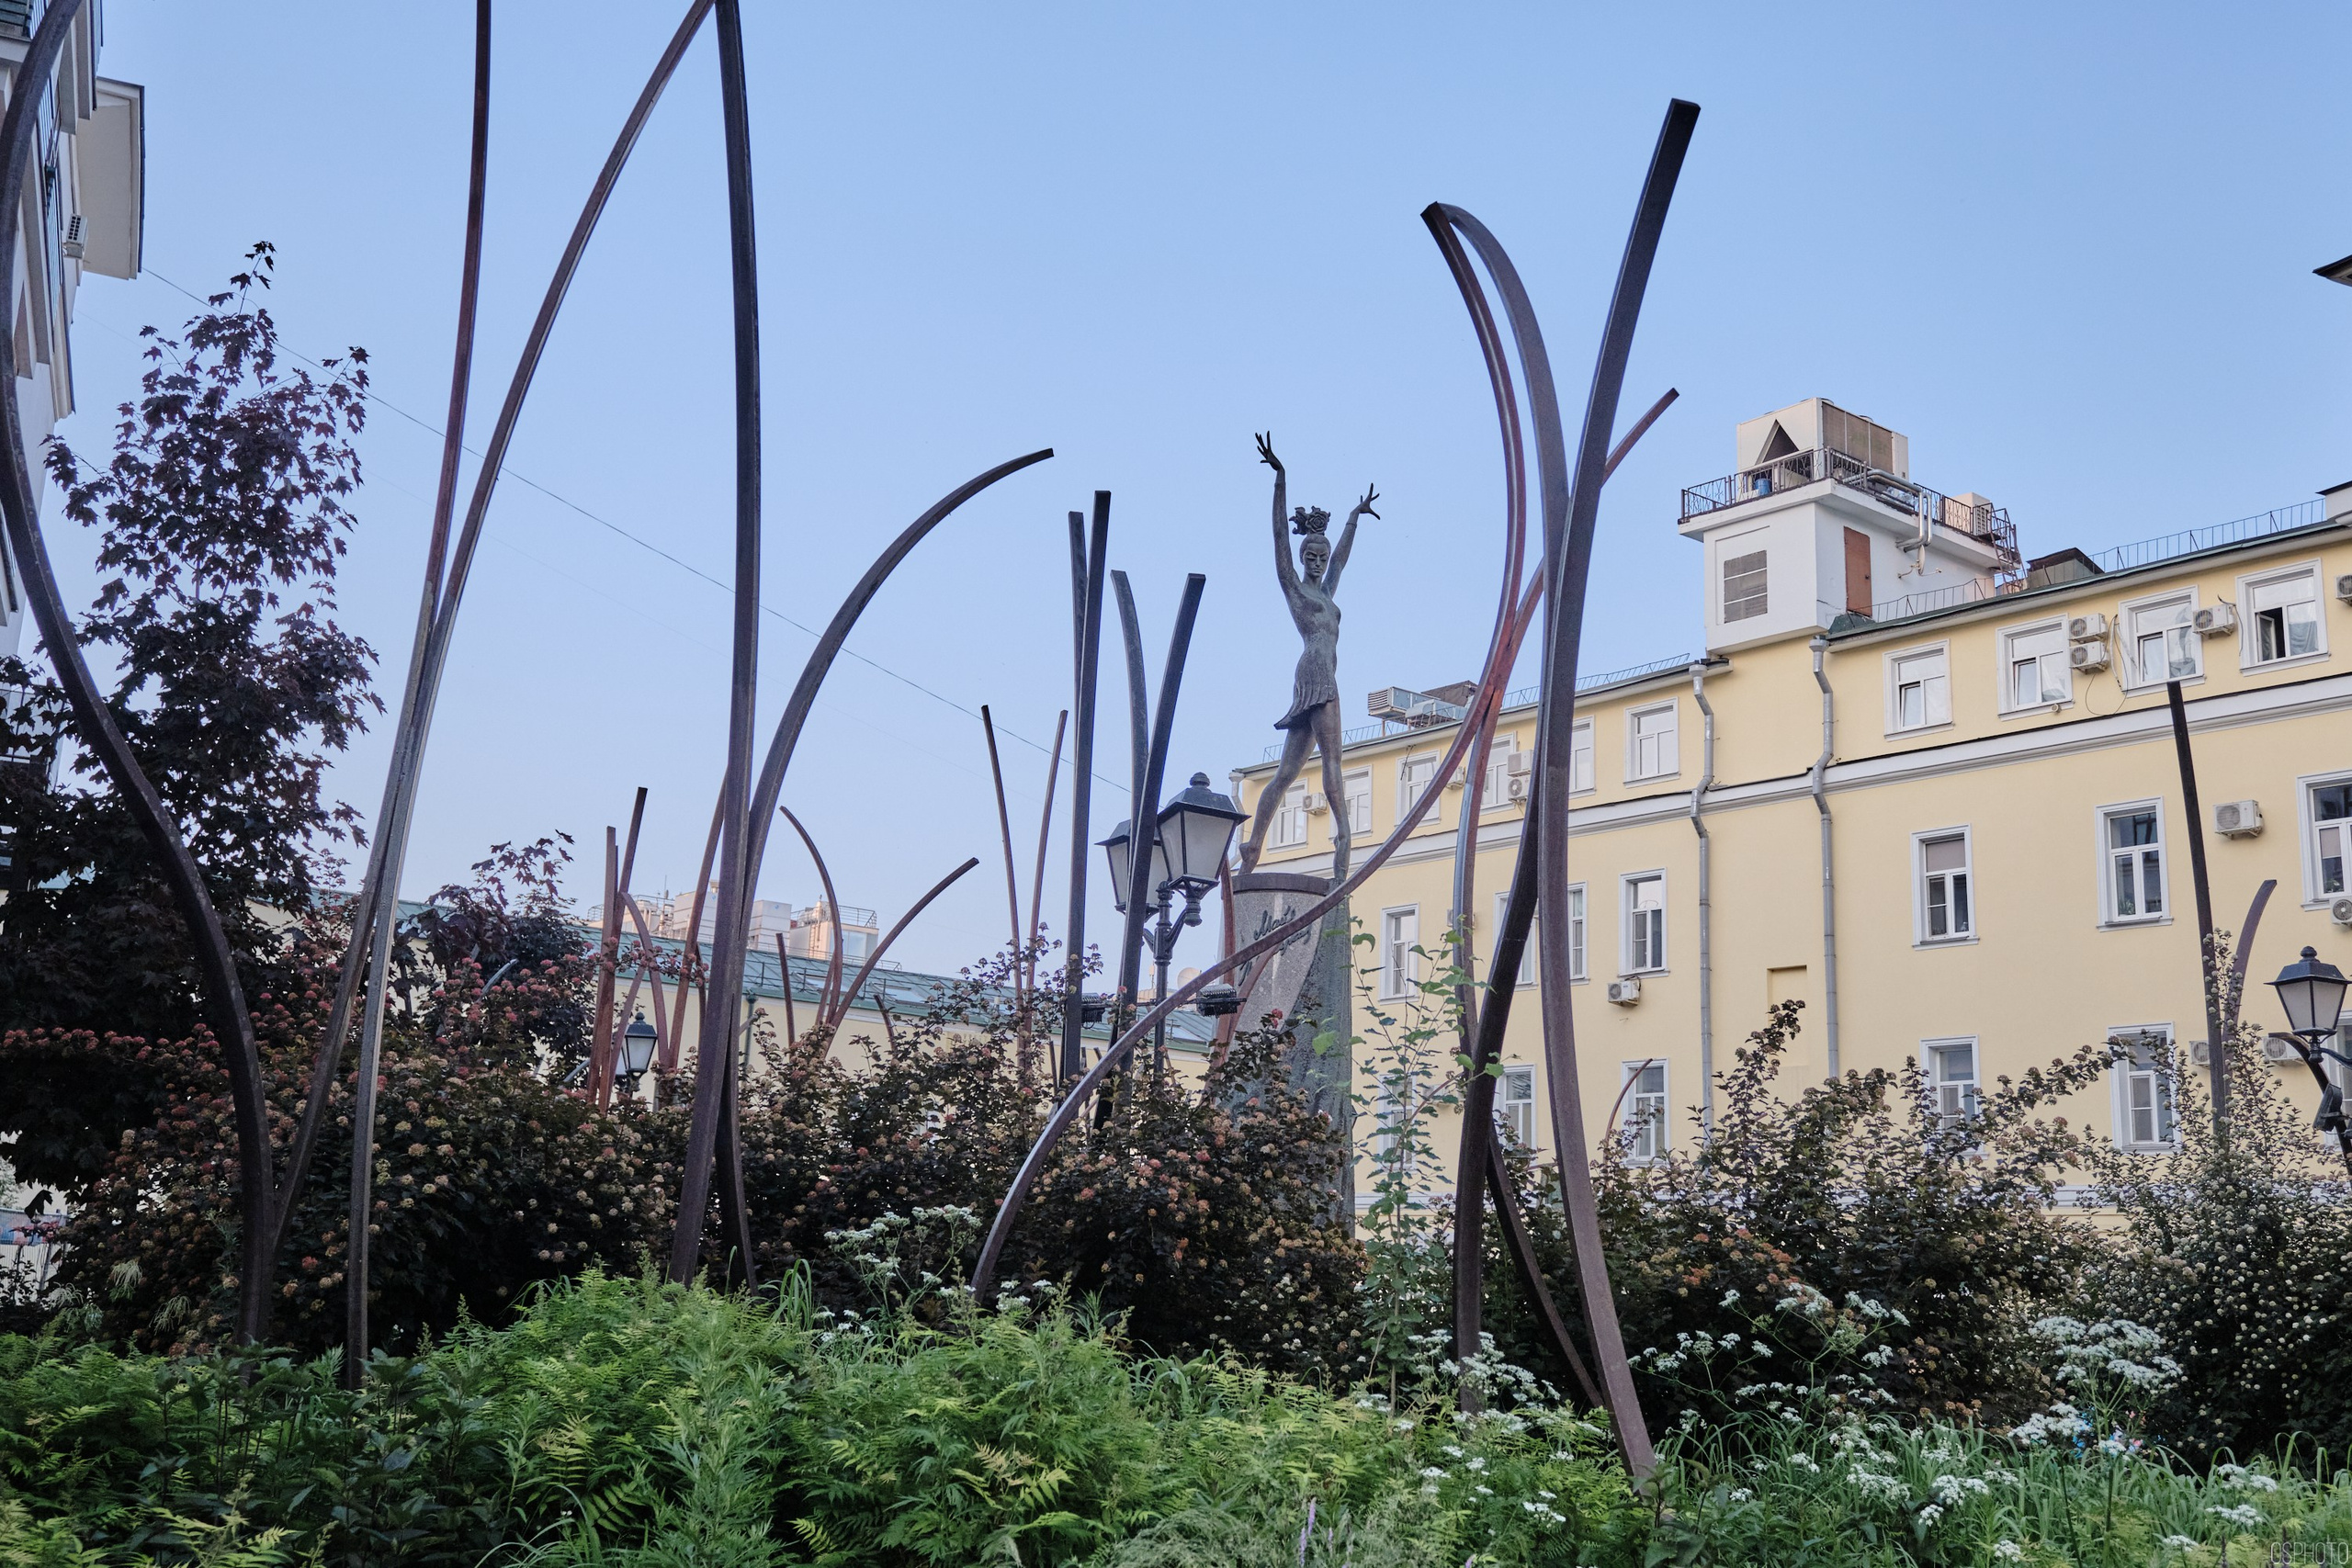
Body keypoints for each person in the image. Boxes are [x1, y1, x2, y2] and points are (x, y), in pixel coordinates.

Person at [1237, 432, 1377, 880]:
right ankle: (1344, 840)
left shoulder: (1328, 589)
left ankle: (1252, 849)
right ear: (1302, 559)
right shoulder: (1295, 588)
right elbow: (1279, 538)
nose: (1318, 562)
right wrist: (1280, 479)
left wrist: (1354, 517)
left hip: (1311, 676)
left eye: (1321, 556)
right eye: (1311, 556)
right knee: (1332, 760)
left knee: (1285, 773)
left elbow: (1343, 560)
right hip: (1318, 677)